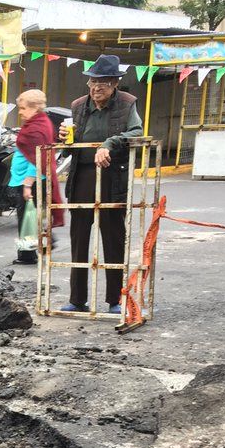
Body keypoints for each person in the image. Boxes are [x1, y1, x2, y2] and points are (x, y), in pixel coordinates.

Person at [57, 55, 143, 314]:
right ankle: (77, 299)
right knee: (79, 238)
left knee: (113, 237)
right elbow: (69, 145)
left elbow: (137, 132)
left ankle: (115, 299)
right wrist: (64, 139)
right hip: (82, 175)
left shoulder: (127, 103)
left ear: (115, 83)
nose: (96, 88)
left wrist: (109, 144)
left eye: (103, 83)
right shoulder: (78, 106)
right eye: (93, 82)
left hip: (111, 176)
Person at [11, 89, 65, 265]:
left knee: (26, 216)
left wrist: (27, 184)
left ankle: (27, 254)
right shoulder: (38, 122)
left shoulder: (37, 127)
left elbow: (37, 159)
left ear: (35, 108)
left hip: (31, 180)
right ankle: (41, 243)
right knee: (31, 215)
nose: (20, 112)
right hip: (28, 179)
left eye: (23, 108)